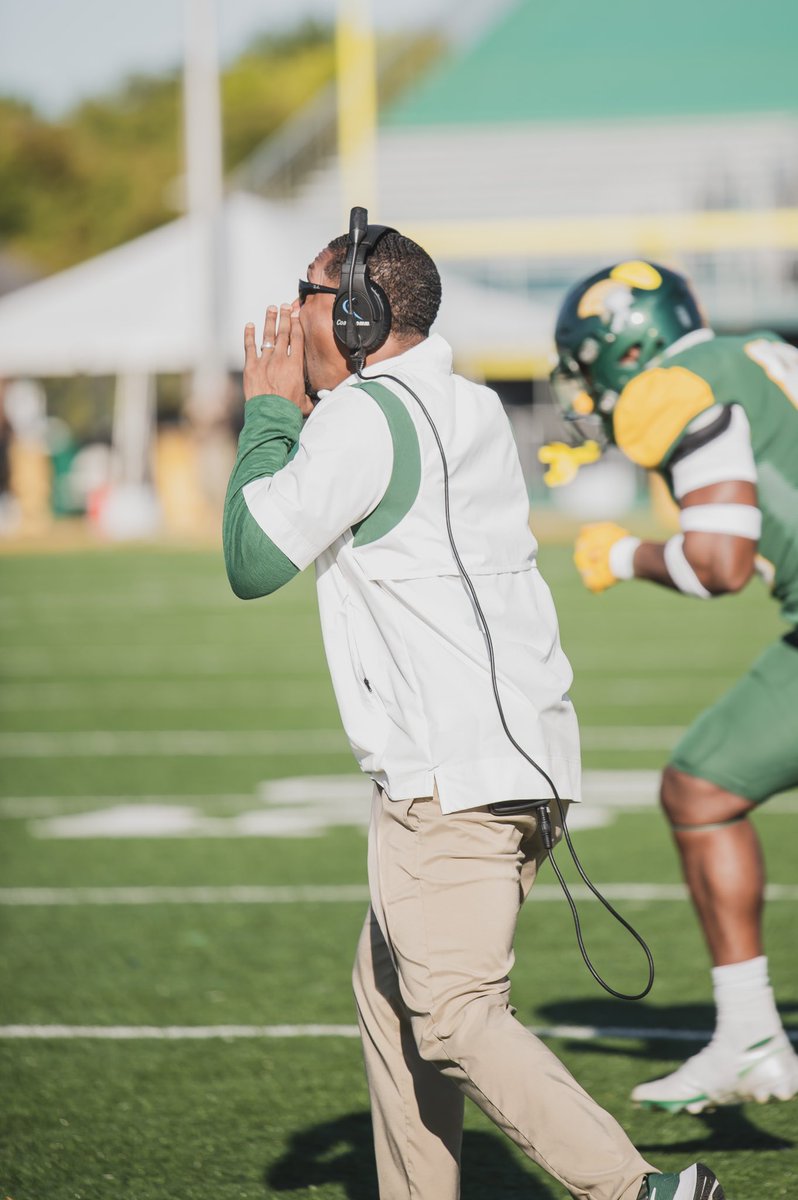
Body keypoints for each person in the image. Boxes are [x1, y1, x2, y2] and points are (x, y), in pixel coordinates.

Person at [223, 220, 725, 1200]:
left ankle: (639, 1193)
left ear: (362, 316)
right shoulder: (469, 404)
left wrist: (269, 415)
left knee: (451, 1015)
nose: (290, 320)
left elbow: (251, 559)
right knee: (388, 992)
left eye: (310, 297)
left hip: (448, 782)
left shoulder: (362, 419)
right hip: (523, 764)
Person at [550, 258, 798, 1115]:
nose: (586, 390)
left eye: (589, 364)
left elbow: (720, 562)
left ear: (626, 344)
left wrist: (622, 556)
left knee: (701, 787)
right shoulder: (758, 349)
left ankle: (751, 1036)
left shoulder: (672, 390)